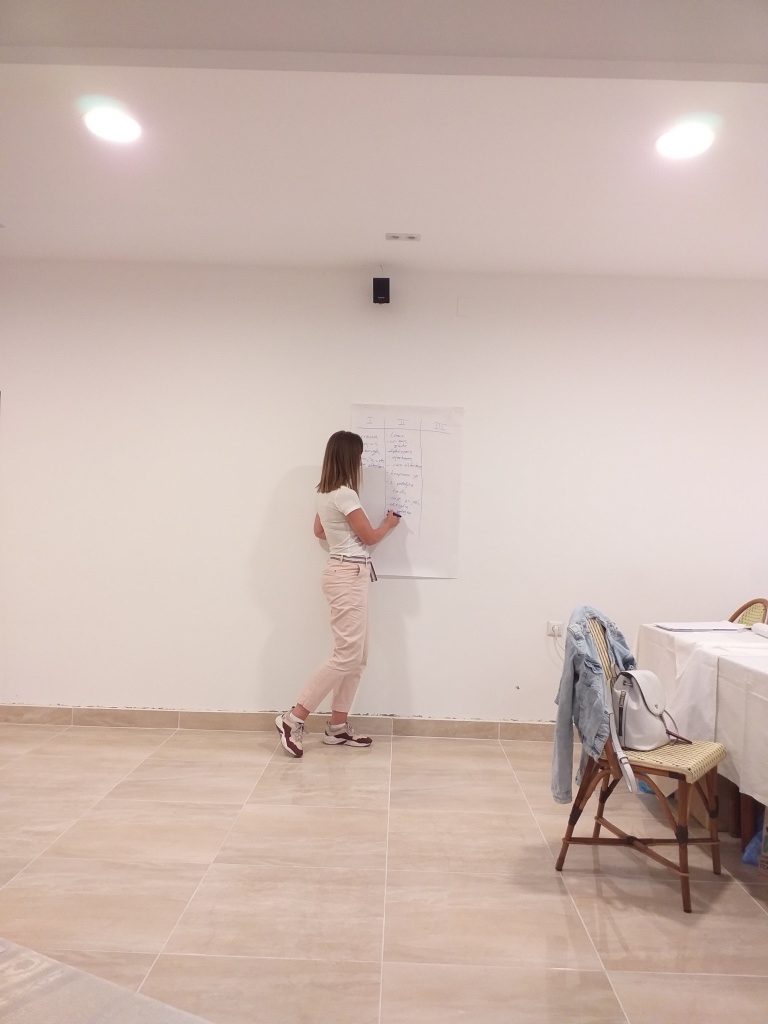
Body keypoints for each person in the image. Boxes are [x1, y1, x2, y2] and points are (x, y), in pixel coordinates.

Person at [275, 430, 400, 757]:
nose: (360, 462)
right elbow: (370, 537)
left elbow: (319, 530)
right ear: (349, 458)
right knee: (347, 655)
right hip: (347, 575)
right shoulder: (345, 494)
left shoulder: (326, 492)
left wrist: (343, 540)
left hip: (345, 573)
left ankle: (338, 727)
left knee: (357, 658)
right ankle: (293, 718)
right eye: (358, 456)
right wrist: (389, 524)